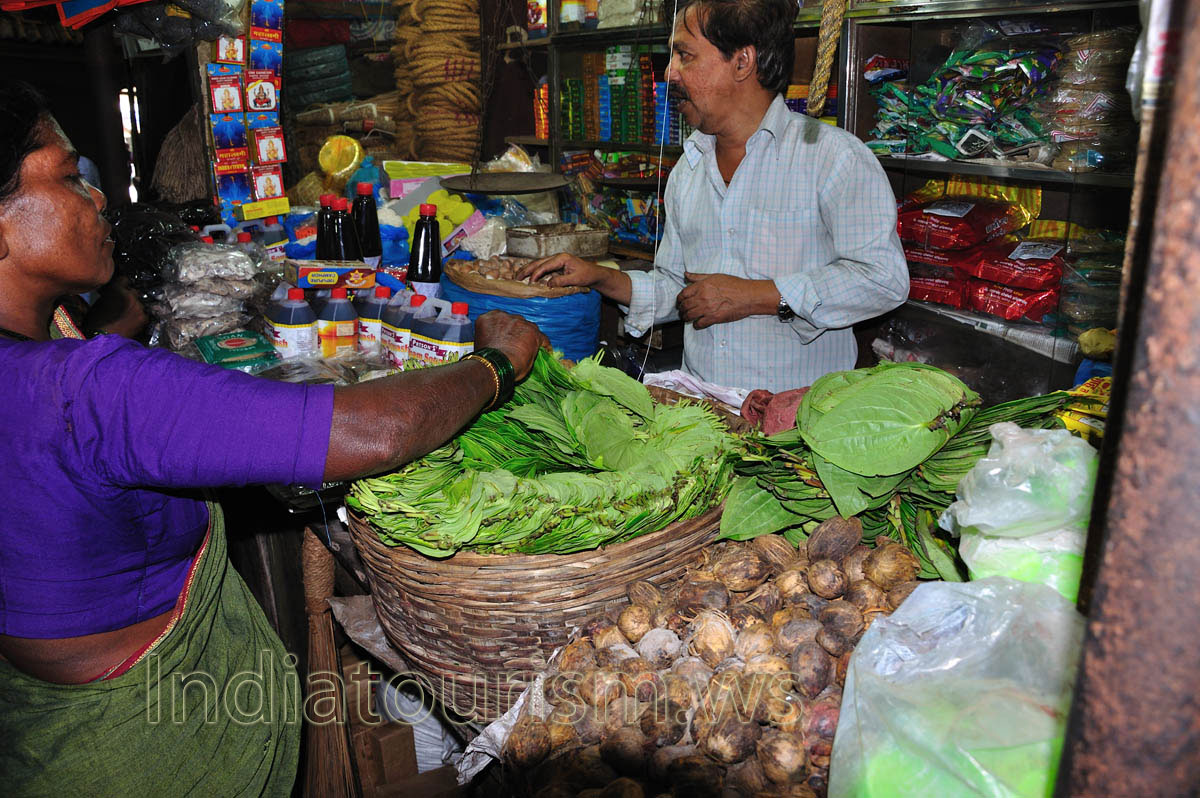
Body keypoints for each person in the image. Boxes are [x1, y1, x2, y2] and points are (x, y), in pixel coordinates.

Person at [0, 80, 546, 795]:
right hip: (146, 745)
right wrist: (496, 363)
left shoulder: (50, 347)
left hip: (39, 734)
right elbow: (369, 431)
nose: (98, 200)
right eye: (71, 180)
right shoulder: (91, 389)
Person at [520, 0, 908, 393]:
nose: (670, 72)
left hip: (796, 422)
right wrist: (602, 277)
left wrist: (761, 296)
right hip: (703, 414)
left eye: (684, 55)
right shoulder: (688, 169)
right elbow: (681, 289)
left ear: (742, 62)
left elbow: (883, 279)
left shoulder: (833, 158)